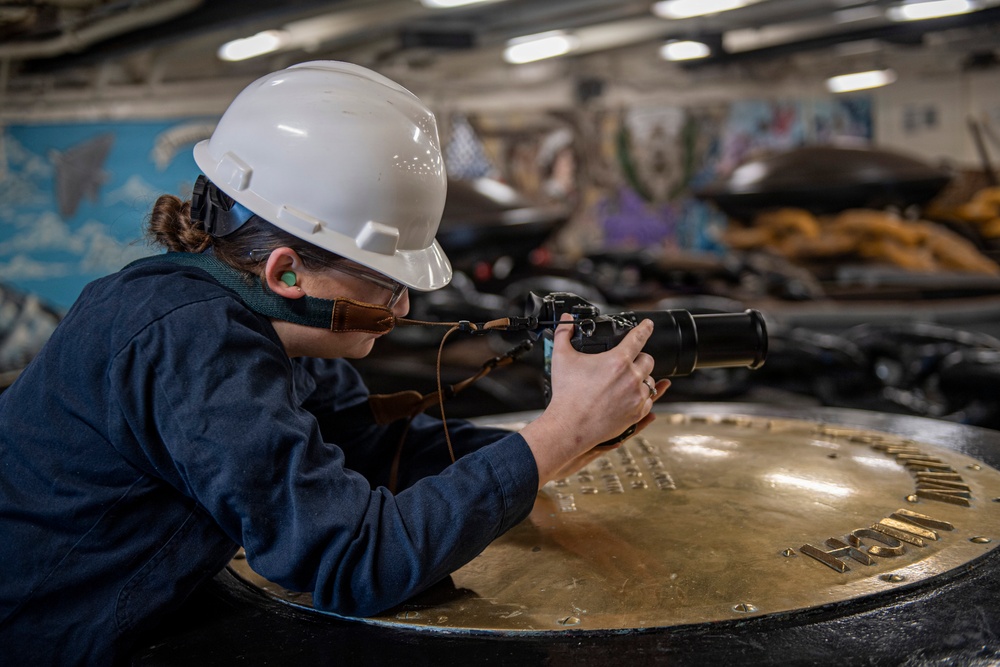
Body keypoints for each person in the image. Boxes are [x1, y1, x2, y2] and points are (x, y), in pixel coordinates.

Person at [0, 61, 668, 665]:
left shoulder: (265, 328)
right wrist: (553, 439)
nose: (403, 305)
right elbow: (351, 559)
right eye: (385, 280)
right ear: (286, 272)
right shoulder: (193, 344)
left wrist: (563, 439)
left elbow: (370, 450)